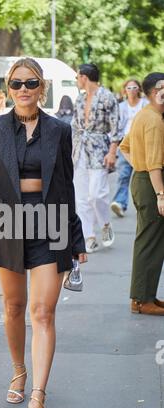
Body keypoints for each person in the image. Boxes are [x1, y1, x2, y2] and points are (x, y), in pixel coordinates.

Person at [0, 57, 87, 408]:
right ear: (9, 87)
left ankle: (38, 396)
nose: (23, 90)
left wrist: (76, 236)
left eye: (30, 83)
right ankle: (19, 372)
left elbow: (66, 184)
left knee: (42, 312)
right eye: (15, 84)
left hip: (52, 225)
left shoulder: (59, 130)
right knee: (14, 307)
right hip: (7, 223)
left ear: (41, 87)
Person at [120, 72, 164, 316]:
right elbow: (155, 164)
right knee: (149, 242)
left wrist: (139, 163)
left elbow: (125, 147)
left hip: (144, 179)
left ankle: (145, 296)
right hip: (151, 183)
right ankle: (141, 300)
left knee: (151, 241)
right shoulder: (154, 120)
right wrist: (160, 194)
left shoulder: (144, 114)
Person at [71, 63, 119, 253]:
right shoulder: (80, 99)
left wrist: (113, 151)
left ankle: (105, 223)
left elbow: (116, 125)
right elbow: (75, 125)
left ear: (84, 77)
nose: (77, 80)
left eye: (77, 77)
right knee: (81, 197)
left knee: (96, 194)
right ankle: (89, 236)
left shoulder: (107, 97)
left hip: (99, 149)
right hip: (80, 150)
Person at [111, 79, 148, 217]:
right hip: (126, 145)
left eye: (134, 87)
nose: (131, 90)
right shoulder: (121, 107)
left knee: (144, 176)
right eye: (129, 87)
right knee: (123, 175)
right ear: (124, 90)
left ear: (139, 89)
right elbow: (116, 127)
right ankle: (120, 203)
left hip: (143, 145)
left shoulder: (146, 105)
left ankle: (146, 204)